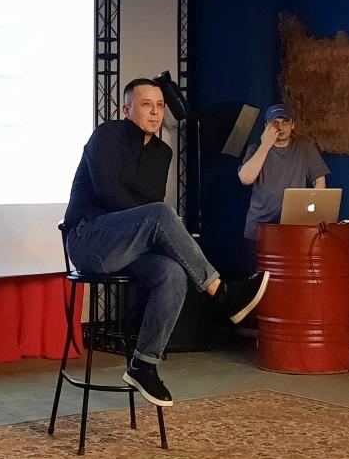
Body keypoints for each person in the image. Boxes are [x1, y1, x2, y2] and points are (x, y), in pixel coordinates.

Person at [63, 78, 270, 407]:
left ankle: (144, 364)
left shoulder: (163, 152)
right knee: (162, 214)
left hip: (130, 247)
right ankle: (222, 294)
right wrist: (162, 221)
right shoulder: (107, 135)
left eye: (160, 106)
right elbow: (109, 193)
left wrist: (164, 226)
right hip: (89, 241)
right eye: (147, 105)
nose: (155, 112)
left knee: (172, 273)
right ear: (126, 109)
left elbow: (150, 205)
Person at [238, 103, 330, 270]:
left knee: (290, 277)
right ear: (266, 127)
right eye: (275, 123)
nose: (280, 127)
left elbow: (320, 181)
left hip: (293, 228)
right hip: (259, 229)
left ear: (293, 125)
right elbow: (246, 179)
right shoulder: (255, 149)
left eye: (285, 122)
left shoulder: (304, 146)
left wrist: (313, 215)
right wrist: (265, 145)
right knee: (259, 280)